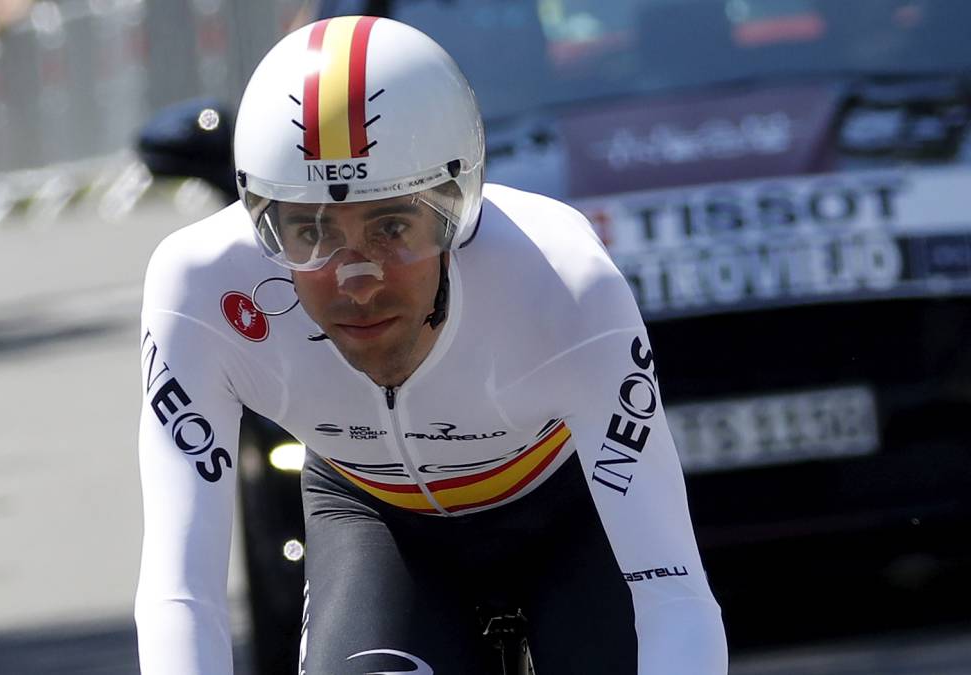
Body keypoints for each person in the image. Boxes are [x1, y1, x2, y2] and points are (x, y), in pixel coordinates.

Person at [134, 15, 728, 674]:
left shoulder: (563, 281)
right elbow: (181, 592)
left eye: (391, 226)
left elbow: (675, 594)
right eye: (311, 232)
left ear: (457, 210)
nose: (356, 280)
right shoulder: (200, 285)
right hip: (375, 518)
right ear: (262, 220)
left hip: (570, 514)